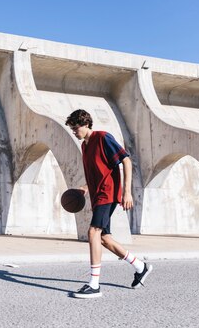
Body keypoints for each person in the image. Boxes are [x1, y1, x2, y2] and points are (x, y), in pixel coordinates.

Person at [65, 109, 152, 299]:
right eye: (71, 128)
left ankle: (94, 285)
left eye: (75, 127)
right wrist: (85, 188)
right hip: (97, 195)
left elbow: (126, 161)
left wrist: (127, 192)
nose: (73, 131)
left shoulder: (103, 138)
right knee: (104, 238)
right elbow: (98, 173)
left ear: (86, 124)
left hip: (109, 193)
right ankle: (140, 266)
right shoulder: (85, 147)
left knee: (93, 232)